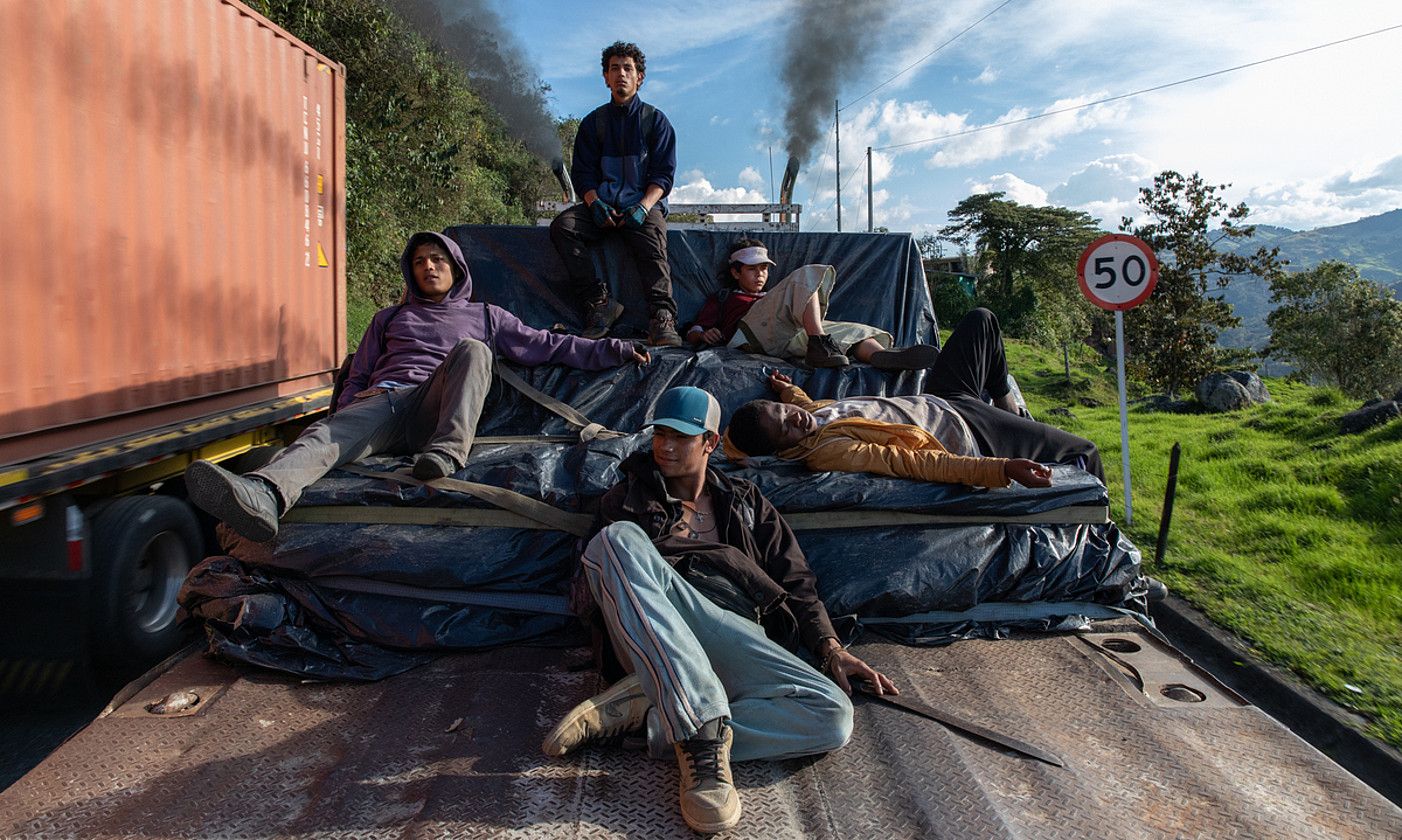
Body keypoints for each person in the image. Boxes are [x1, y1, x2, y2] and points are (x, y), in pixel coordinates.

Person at [541, 386, 896, 834]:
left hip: (734, 632)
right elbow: (601, 586)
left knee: (832, 716)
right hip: (661, 635)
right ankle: (701, 740)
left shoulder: (747, 502)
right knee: (614, 543)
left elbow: (797, 582)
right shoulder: (627, 499)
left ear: (710, 442)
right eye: (660, 434)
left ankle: (652, 716)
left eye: (682, 437)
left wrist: (830, 648)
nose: (665, 447)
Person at [185, 231, 648, 543]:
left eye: (438, 260)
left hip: (436, 407)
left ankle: (446, 455)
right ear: (411, 271)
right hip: (384, 405)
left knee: (474, 351)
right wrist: (347, 410)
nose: (429, 267)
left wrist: (615, 350)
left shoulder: (486, 316)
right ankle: (263, 496)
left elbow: (547, 345)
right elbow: (360, 374)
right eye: (421, 261)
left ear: (456, 268)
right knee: (322, 437)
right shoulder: (389, 318)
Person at [723, 307, 1104, 487]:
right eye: (785, 429)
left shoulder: (809, 416)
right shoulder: (826, 451)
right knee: (1084, 451)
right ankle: (1107, 545)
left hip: (941, 397)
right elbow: (915, 464)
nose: (796, 419)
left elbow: (805, 407)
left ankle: (1009, 404)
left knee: (981, 320)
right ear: (781, 450)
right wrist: (999, 469)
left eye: (783, 411)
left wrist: (784, 389)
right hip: (968, 429)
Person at [549, 41, 681, 347]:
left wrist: (644, 207)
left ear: (639, 77)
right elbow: (583, 175)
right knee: (563, 227)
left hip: (643, 207)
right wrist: (594, 205)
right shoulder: (593, 124)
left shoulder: (655, 122)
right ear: (605, 78)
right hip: (602, 207)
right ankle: (599, 303)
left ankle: (662, 317)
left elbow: (663, 174)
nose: (620, 74)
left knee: (654, 241)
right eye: (614, 68)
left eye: (627, 68)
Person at [686, 238, 939, 370]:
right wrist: (703, 334)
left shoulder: (772, 296)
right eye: (752, 269)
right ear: (735, 272)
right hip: (749, 337)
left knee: (852, 331)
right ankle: (819, 343)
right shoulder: (725, 297)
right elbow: (695, 330)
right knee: (806, 277)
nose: (760, 274)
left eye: (763, 268)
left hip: (785, 338)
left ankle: (881, 357)